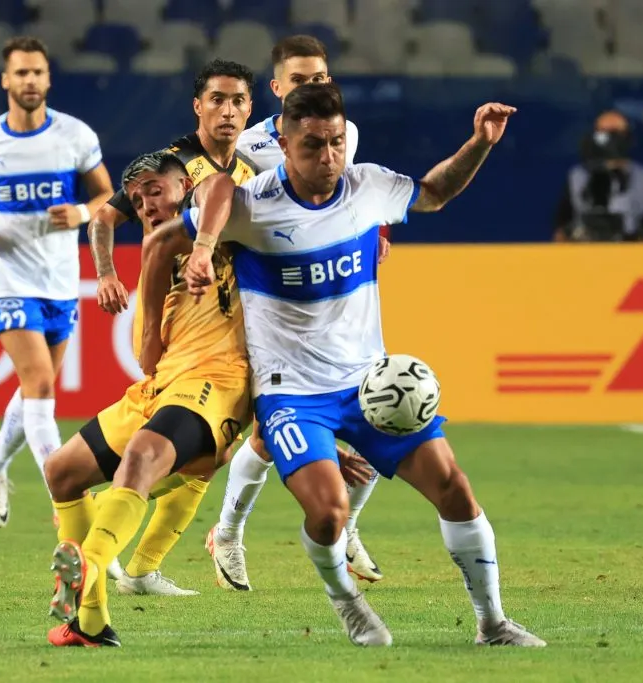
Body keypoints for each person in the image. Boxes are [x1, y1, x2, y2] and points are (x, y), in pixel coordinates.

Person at [178, 83, 545, 647]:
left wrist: (480, 142)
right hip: (291, 395)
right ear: (282, 141)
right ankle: (347, 603)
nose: (327, 158)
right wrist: (203, 246)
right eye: (311, 147)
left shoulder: (367, 186)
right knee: (328, 513)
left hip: (371, 388)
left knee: (455, 489)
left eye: (334, 143)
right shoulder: (252, 206)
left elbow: (434, 193)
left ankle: (492, 622)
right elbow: (210, 195)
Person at [44, 151, 368, 647]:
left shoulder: (230, 236)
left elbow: (218, 188)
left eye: (157, 190)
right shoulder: (159, 257)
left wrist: (313, 434)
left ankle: (88, 565)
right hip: (161, 388)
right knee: (61, 470)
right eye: (138, 198)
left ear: (184, 188)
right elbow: (149, 356)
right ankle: (90, 619)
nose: (148, 203)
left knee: (143, 458)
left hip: (216, 385)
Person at [208, 34, 386, 591]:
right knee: (269, 433)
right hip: (273, 302)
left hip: (339, 298)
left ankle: (348, 525)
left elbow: (345, 196)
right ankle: (228, 533)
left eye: (321, 79)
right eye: (301, 81)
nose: (314, 88)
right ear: (278, 89)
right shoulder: (253, 146)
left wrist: (374, 228)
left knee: (383, 410)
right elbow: (219, 199)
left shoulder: (344, 133)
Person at [79, 59, 260, 596]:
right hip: (182, 332)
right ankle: (114, 513)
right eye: (218, 100)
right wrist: (107, 274)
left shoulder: (249, 169)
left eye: (238, 102)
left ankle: (139, 568)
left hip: (219, 331)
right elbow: (105, 218)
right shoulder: (173, 164)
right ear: (198, 106)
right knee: (205, 448)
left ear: (250, 109)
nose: (228, 111)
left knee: (214, 452)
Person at [0, 36, 114, 530]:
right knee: (40, 382)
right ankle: (70, 501)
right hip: (7, 276)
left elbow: (106, 194)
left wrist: (82, 211)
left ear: (48, 77)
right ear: (6, 80)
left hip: (60, 279)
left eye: (37, 72)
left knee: (34, 388)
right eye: (20, 73)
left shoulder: (75, 136)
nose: (30, 81)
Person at [554, 110, 643, 242]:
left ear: (628, 138)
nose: (610, 141)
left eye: (616, 134)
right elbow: (560, 231)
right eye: (603, 134)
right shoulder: (576, 177)